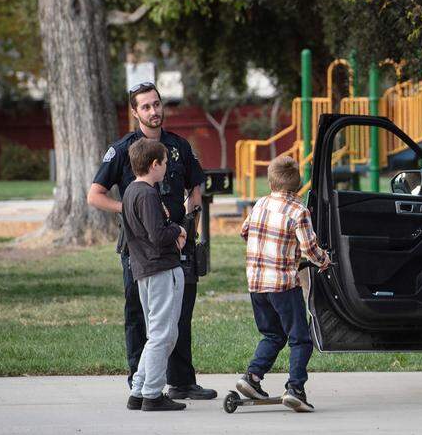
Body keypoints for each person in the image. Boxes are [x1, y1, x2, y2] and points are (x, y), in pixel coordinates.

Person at [87, 82, 217, 400]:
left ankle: (182, 381)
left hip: (176, 242)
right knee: (138, 314)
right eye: (145, 106)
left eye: (156, 104)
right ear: (135, 112)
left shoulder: (179, 147)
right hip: (139, 248)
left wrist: (190, 222)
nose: (153, 111)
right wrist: (134, 212)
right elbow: (95, 196)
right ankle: (140, 381)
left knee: (178, 314)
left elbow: (195, 187)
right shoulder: (122, 149)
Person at [236, 156, 330, 413]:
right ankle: (296, 388)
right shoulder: (299, 210)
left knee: (273, 334)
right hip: (283, 286)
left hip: (256, 284)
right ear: (298, 184)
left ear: (271, 181)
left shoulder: (260, 203)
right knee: (300, 338)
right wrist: (324, 260)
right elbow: (309, 248)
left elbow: (245, 232)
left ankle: (252, 378)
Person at [121, 139, 188, 411]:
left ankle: (139, 389)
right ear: (154, 165)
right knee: (163, 334)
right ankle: (153, 393)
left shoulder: (129, 191)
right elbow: (157, 235)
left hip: (144, 269)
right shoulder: (147, 194)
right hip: (161, 269)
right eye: (164, 162)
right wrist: (179, 232)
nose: (166, 167)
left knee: (156, 333)